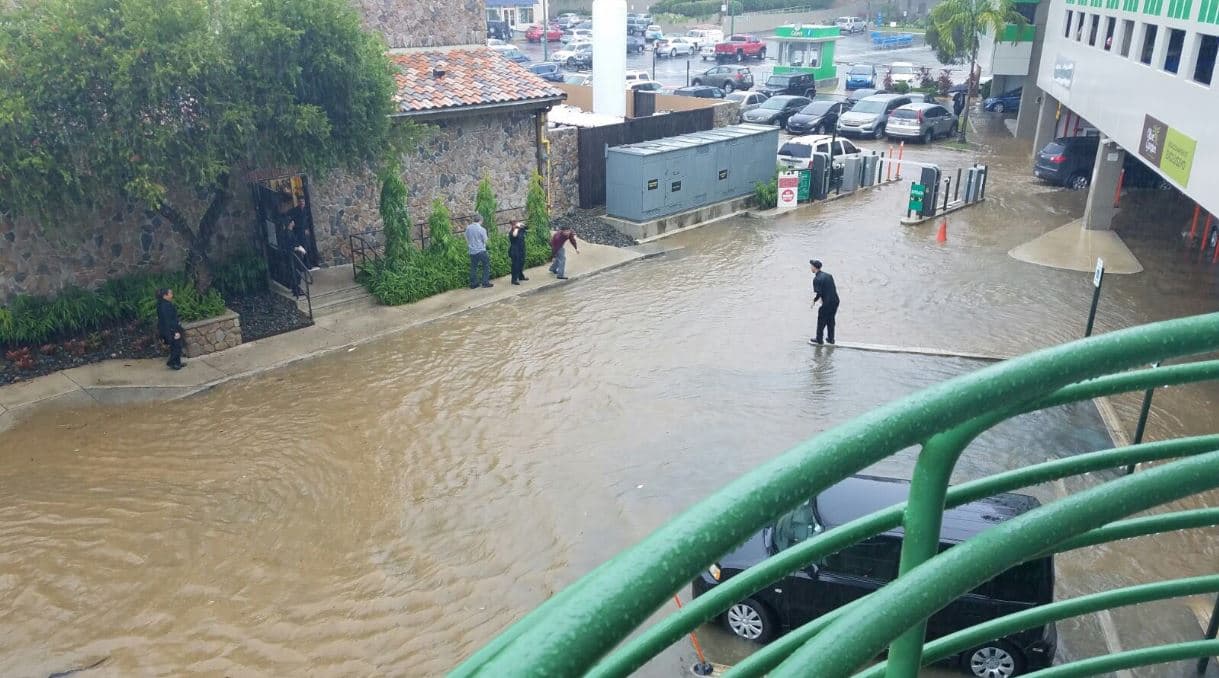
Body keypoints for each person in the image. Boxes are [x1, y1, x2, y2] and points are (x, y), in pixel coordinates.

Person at [809, 259, 839, 345]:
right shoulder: (829, 275)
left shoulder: (816, 279)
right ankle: (831, 339)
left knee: (821, 320)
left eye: (811, 266)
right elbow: (832, 289)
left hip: (827, 303)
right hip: (835, 301)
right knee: (831, 320)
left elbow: (819, 293)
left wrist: (814, 301)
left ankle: (819, 340)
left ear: (814, 268)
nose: (810, 268)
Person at [156, 288, 185, 370]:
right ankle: (172, 362)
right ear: (165, 295)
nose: (172, 295)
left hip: (170, 329)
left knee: (176, 346)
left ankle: (177, 363)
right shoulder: (165, 306)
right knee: (176, 346)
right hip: (170, 330)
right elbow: (168, 320)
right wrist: (175, 331)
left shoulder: (164, 304)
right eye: (170, 293)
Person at [283, 218, 308, 297]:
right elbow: (289, 246)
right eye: (292, 221)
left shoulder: (290, 232)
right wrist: (297, 248)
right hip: (292, 256)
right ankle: (296, 289)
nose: (294, 222)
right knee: (294, 272)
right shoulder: (287, 233)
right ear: (290, 223)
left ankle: (296, 288)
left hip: (295, 255)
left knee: (297, 272)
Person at [465, 215, 492, 289]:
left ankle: (474, 284)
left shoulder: (468, 228)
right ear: (480, 220)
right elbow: (486, 241)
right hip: (481, 251)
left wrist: (470, 245)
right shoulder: (482, 229)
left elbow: (466, 238)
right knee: (486, 266)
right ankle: (485, 282)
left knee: (473, 267)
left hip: (472, 251)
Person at [508, 221, 529, 285]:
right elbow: (514, 235)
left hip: (521, 249)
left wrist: (523, 224)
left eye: (516, 224)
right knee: (515, 265)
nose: (515, 225)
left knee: (521, 263)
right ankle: (514, 280)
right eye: (514, 225)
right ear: (512, 225)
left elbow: (527, 227)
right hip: (515, 250)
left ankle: (520, 276)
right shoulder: (512, 231)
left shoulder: (521, 229)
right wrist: (516, 228)